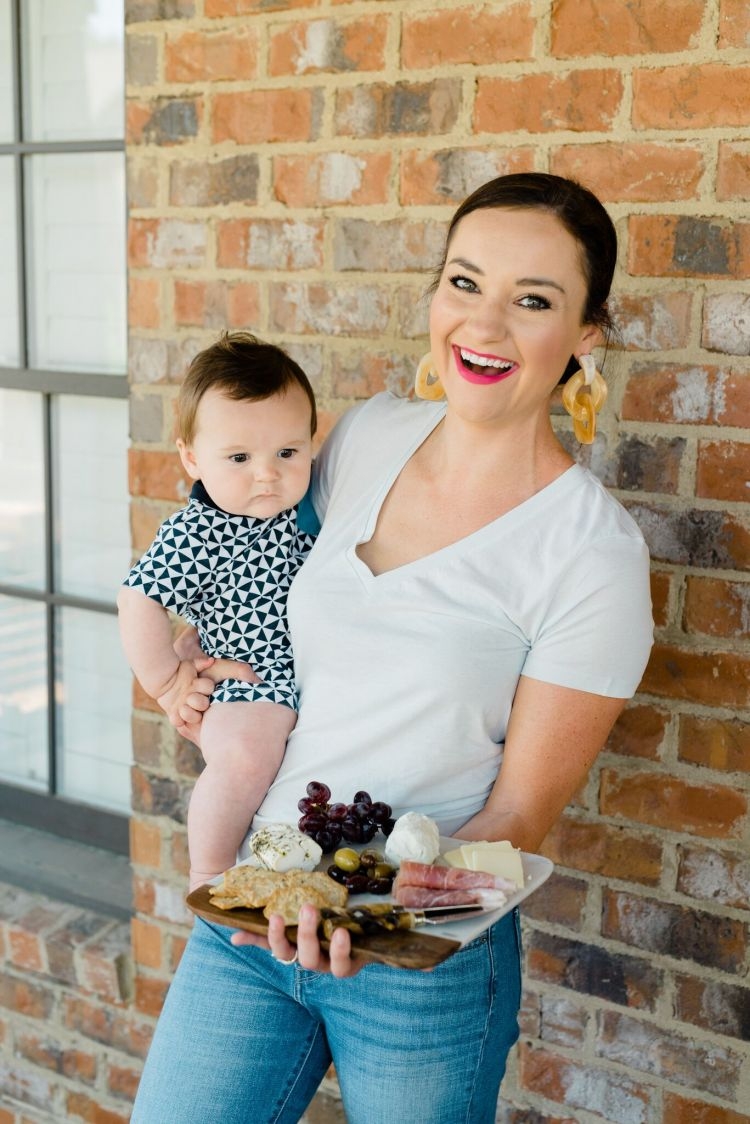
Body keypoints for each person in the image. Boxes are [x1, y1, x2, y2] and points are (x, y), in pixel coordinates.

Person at [130, 174, 653, 1124]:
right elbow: (247, 555)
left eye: (532, 300)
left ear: (586, 337)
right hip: (249, 918)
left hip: (422, 958)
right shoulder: (363, 436)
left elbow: (520, 815)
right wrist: (182, 667)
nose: (483, 326)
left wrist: (355, 908)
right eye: (464, 283)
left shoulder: (593, 553)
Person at [118, 332, 319, 890]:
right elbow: (137, 599)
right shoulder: (200, 530)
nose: (267, 473)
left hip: (305, 676)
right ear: (192, 458)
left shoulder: (309, 503)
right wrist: (167, 683)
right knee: (246, 760)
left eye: (287, 452)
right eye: (239, 457)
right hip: (250, 677)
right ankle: (208, 872)